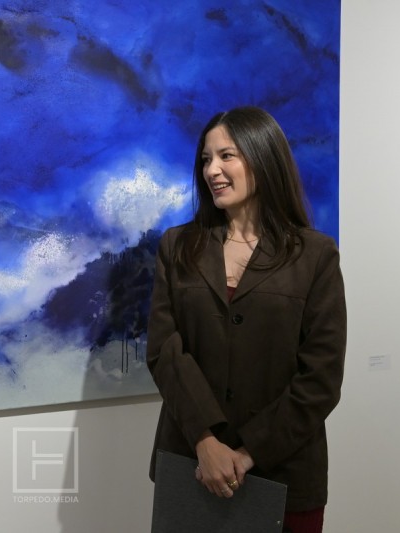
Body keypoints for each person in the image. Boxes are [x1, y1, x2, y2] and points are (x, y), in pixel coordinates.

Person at [146, 107, 346, 533]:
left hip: (284, 476)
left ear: (262, 157)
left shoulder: (316, 255)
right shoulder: (177, 246)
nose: (211, 170)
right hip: (192, 466)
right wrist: (206, 442)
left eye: (226, 156)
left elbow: (321, 376)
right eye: (206, 159)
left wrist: (247, 453)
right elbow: (165, 351)